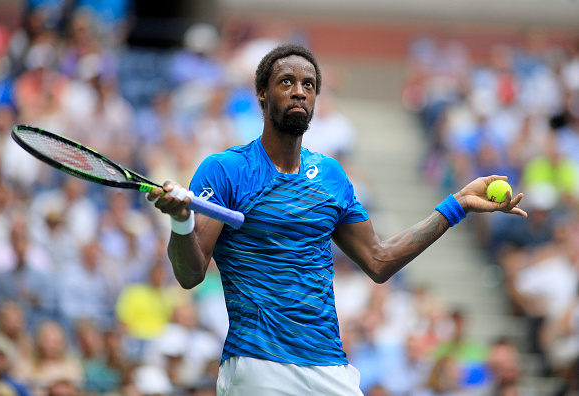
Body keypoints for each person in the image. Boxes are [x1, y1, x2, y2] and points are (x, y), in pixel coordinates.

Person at [146, 44, 527, 396]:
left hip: (330, 366)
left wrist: (457, 204)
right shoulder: (225, 170)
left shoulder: (330, 176)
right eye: (287, 82)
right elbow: (190, 274)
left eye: (308, 84)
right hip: (258, 363)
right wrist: (181, 221)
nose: (299, 91)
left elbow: (378, 261)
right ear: (262, 93)